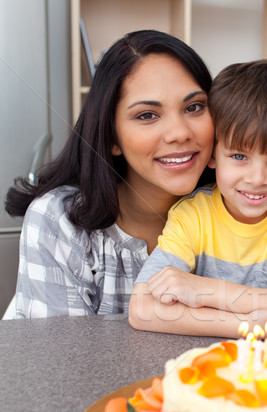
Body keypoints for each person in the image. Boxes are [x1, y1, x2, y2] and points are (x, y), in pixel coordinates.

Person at [4, 30, 214, 318]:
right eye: (147, 115)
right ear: (111, 136)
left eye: (194, 107)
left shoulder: (243, 212)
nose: (179, 133)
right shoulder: (59, 221)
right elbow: (63, 359)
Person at [129, 60, 267, 342]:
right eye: (239, 156)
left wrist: (200, 290)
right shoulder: (192, 215)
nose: (257, 178)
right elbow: (142, 308)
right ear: (213, 154)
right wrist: (250, 326)